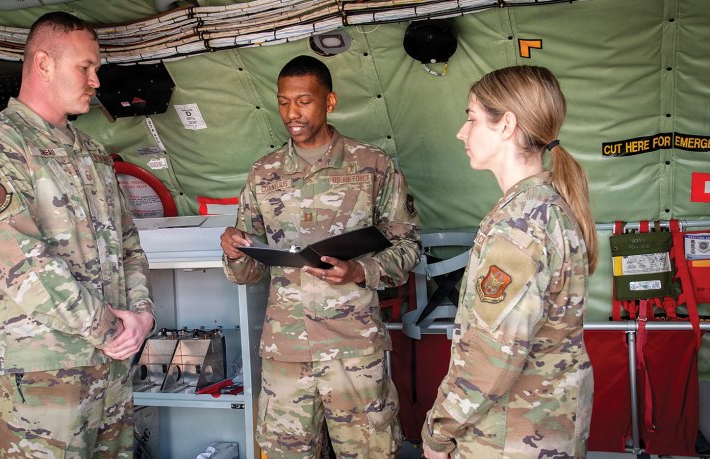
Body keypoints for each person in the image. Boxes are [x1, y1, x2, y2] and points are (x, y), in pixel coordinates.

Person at [0, 12, 155, 458]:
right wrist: (111, 329)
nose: (96, 80)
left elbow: (129, 243)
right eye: (85, 67)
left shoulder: (93, 154)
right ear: (43, 64)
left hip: (111, 372)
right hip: (43, 380)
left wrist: (143, 314)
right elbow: (21, 264)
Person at [220, 55, 422, 458]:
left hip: (354, 349)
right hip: (285, 353)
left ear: (329, 102)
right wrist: (234, 250)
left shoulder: (372, 166)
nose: (291, 113)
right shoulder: (264, 174)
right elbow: (246, 271)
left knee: (369, 451)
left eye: (303, 101)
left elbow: (409, 246)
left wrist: (360, 269)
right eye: (283, 102)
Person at [421, 65, 598, 458]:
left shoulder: (519, 226)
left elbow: (493, 356)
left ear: (506, 126)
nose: (461, 132)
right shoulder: (549, 206)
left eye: (471, 118)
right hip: (546, 427)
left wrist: (438, 431)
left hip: (507, 437)